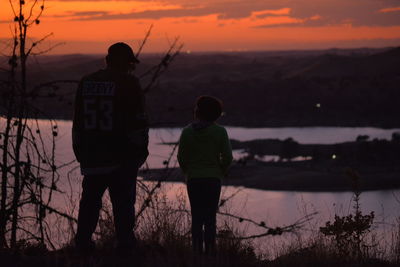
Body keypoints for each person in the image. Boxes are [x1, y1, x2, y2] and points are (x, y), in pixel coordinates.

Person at [72, 42, 148, 253]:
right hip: (121, 156)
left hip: (91, 155)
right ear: (127, 64)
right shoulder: (129, 83)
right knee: (123, 204)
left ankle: (82, 244)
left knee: (89, 202)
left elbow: (77, 120)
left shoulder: (86, 82)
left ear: (107, 61)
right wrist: (140, 151)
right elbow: (138, 121)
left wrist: (80, 150)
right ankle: (125, 246)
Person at [177, 95, 233, 255]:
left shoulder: (187, 132)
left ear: (198, 112)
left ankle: (196, 254)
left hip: (194, 179)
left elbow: (182, 157)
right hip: (213, 179)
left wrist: (188, 172)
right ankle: (209, 254)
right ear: (216, 113)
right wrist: (220, 171)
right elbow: (228, 157)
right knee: (210, 219)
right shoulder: (220, 132)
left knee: (196, 218)